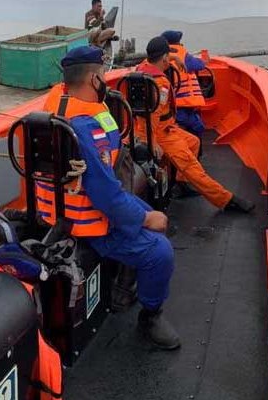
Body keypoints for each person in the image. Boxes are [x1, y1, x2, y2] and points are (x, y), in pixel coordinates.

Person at [40, 45, 180, 349]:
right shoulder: (85, 128)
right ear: (93, 80)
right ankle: (150, 314)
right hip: (88, 220)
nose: (105, 79)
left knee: (151, 214)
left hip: (60, 210)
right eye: (103, 74)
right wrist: (144, 218)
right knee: (160, 251)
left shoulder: (57, 104)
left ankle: (125, 285)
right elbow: (107, 198)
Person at [136, 37, 254, 213]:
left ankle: (182, 185)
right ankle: (226, 200)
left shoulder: (143, 69)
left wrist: (175, 59)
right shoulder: (160, 85)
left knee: (193, 142)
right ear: (164, 58)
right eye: (169, 57)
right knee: (194, 168)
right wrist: (152, 143)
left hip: (162, 127)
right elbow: (153, 116)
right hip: (160, 133)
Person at [161, 30, 206, 139]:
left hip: (168, 104)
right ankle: (196, 151)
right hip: (183, 104)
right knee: (198, 126)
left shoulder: (160, 57)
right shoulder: (183, 55)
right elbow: (199, 65)